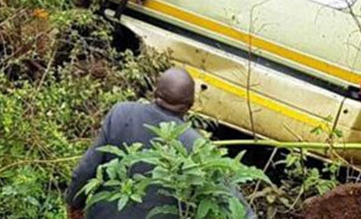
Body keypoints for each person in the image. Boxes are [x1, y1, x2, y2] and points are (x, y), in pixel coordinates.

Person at [65, 68, 254, 218]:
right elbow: (233, 202)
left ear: (155, 91)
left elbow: (85, 170)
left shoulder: (121, 113)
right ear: (190, 106)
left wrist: (74, 204)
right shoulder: (196, 145)